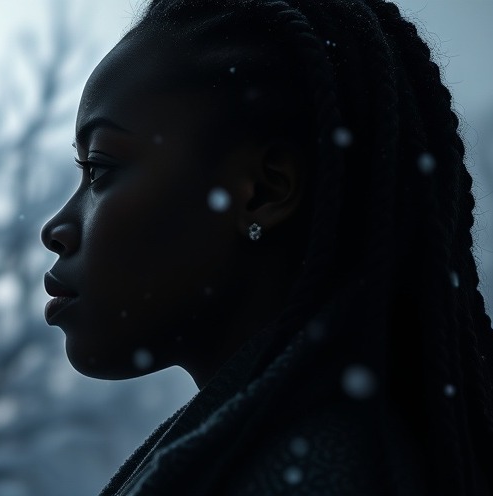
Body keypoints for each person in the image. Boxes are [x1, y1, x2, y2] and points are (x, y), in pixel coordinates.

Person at [39, 0, 493, 494]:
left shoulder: (307, 473)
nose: (57, 228)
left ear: (263, 191)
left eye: (101, 168)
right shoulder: (280, 444)